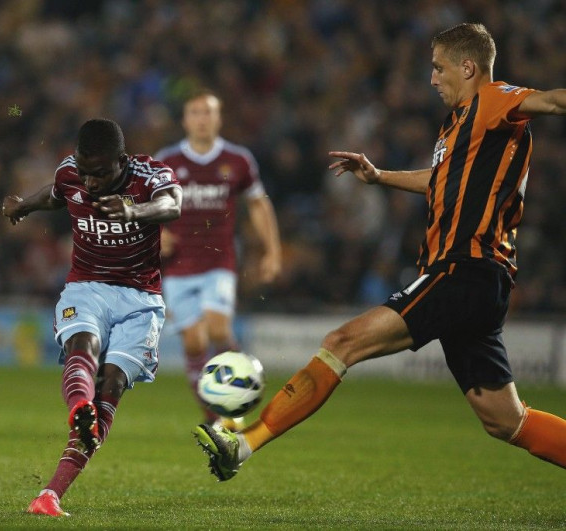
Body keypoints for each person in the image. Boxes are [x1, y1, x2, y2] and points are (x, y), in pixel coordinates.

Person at [193, 22, 566, 481]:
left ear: (469, 68)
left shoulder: (493, 100)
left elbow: (552, 100)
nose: (432, 79)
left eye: (438, 68)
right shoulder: (460, 127)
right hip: (483, 280)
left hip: (463, 269)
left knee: (339, 344)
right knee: (506, 421)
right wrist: (379, 175)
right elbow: (441, 183)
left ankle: (243, 444)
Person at [2, 118, 181, 515]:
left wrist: (134, 210)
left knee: (113, 383)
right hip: (87, 287)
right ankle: (80, 406)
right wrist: (23, 206)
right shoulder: (71, 172)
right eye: (85, 172)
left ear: (122, 160)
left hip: (141, 300)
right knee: (83, 345)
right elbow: (58, 194)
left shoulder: (150, 175)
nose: (91, 182)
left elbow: (173, 205)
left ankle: (49, 495)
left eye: (99, 174)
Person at [154, 89, 282, 430]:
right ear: (185, 120)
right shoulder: (166, 161)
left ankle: (242, 385)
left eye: (208, 112)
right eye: (195, 112)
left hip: (219, 261)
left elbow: (258, 204)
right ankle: (217, 414)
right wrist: (156, 234)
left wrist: (272, 250)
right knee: (195, 341)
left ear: (218, 118)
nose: (202, 118)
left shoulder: (237, 160)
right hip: (178, 267)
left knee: (218, 327)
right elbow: (143, 208)